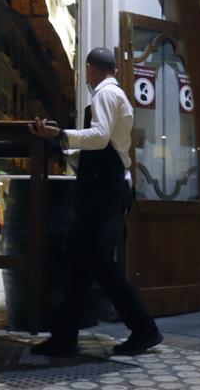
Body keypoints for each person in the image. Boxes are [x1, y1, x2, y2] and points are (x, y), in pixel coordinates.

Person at [28, 47, 162, 357]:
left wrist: (61, 133)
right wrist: (61, 140)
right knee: (80, 261)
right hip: (109, 186)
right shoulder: (119, 96)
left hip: (101, 191)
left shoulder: (103, 95)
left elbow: (100, 137)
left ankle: (144, 329)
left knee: (99, 264)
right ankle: (65, 336)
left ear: (90, 69)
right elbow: (107, 144)